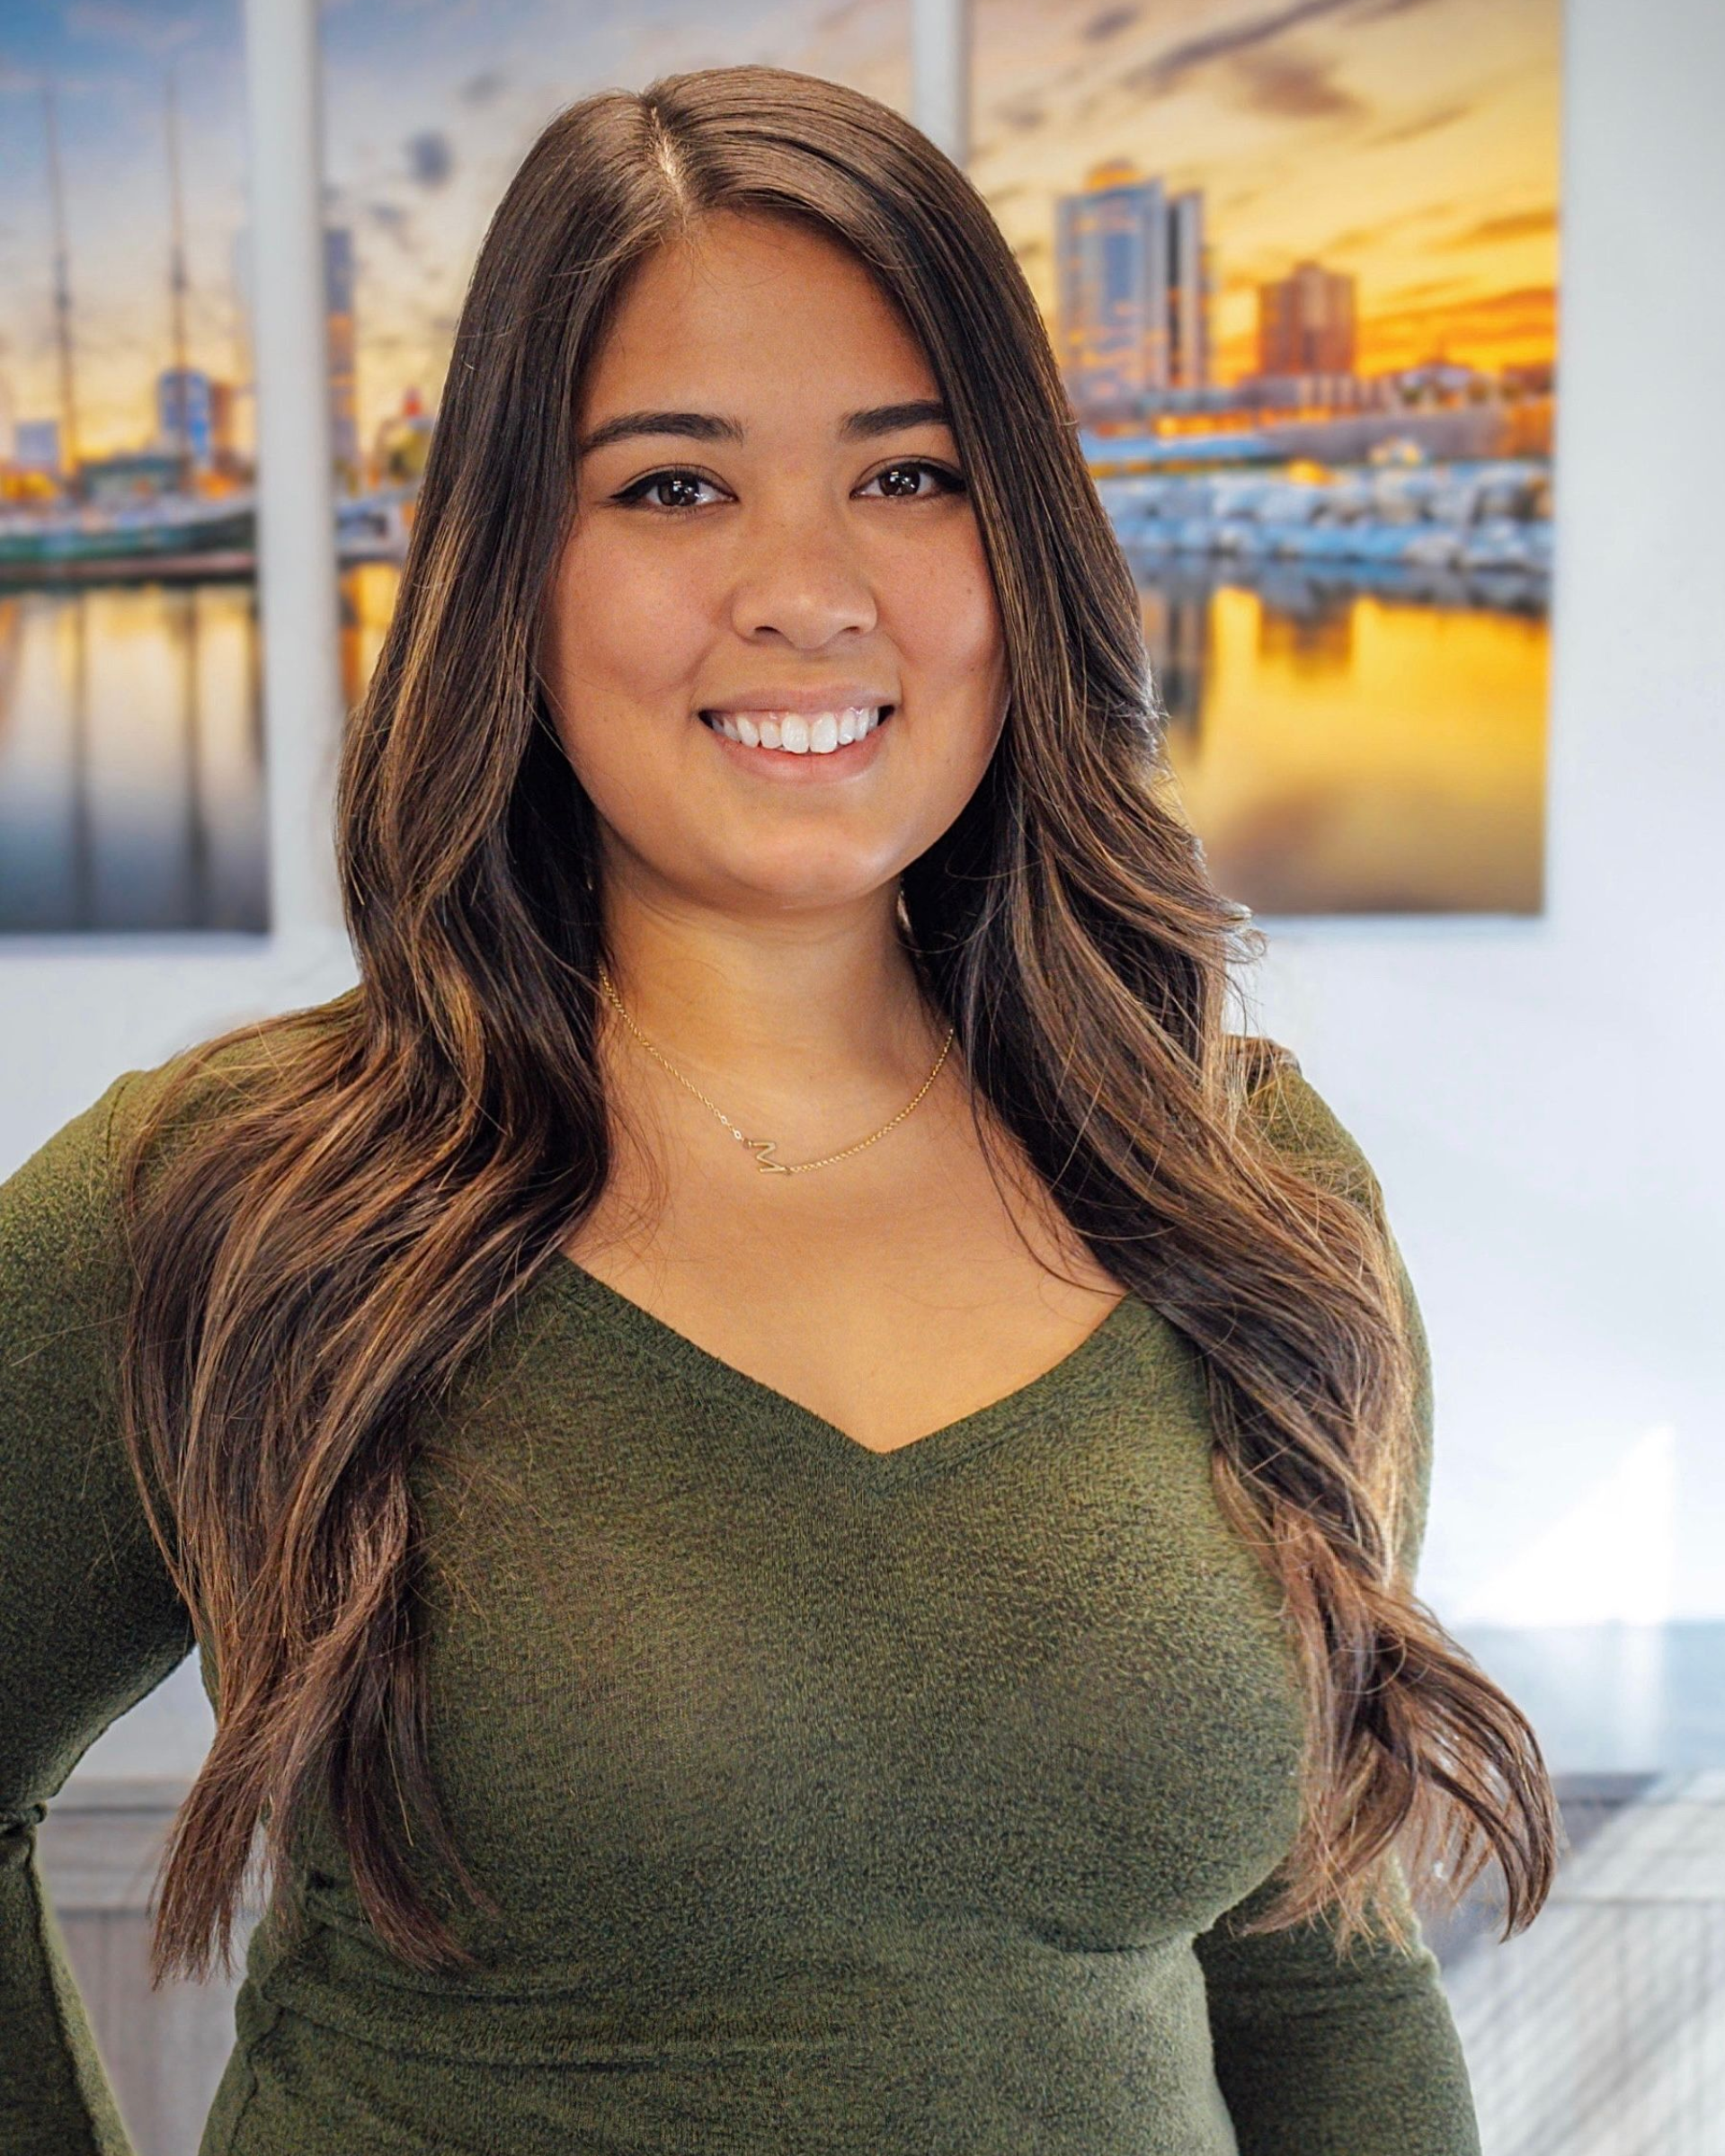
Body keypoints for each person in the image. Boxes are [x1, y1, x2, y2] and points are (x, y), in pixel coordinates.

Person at [0, 64, 1561, 2156]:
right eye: (673, 486)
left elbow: (1319, 1972)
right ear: (511, 566)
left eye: (907, 475)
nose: (806, 587)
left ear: (1018, 543)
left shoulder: (1241, 1190)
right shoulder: (233, 1191)